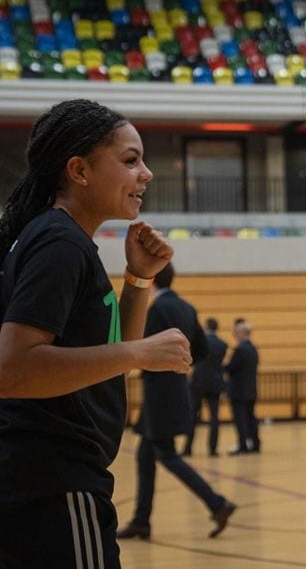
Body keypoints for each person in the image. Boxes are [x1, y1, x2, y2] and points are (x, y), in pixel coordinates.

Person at [0, 98, 192, 569]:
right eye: (130, 160)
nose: (146, 173)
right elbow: (13, 369)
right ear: (79, 170)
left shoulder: (59, 238)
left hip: (38, 484)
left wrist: (139, 279)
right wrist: (140, 351)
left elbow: (100, 362)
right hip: (52, 486)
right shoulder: (59, 242)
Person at [117, 263, 236, 540]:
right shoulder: (186, 307)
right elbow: (203, 350)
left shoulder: (158, 309)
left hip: (159, 394)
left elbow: (143, 349)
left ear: (153, 277)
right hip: (174, 390)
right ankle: (141, 520)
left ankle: (217, 503)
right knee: (146, 456)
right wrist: (181, 365)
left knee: (166, 454)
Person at [183, 317, 227, 457]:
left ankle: (188, 448)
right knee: (214, 417)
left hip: (198, 382)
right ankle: (213, 449)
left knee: (192, 416)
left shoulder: (200, 342)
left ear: (207, 327)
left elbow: (193, 358)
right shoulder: (222, 345)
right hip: (215, 382)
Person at [225, 320, 260, 455]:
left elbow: (230, 368)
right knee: (251, 418)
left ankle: (243, 444)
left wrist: (222, 366)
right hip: (251, 389)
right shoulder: (253, 349)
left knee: (240, 419)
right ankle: (255, 443)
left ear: (242, 333)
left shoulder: (240, 350)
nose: (234, 334)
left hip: (238, 391)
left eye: (236, 332)